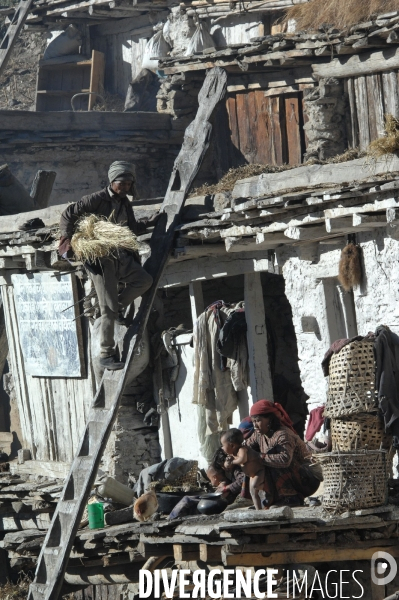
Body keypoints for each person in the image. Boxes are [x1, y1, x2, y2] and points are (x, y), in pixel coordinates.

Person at [59, 161, 155, 370]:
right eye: (123, 183)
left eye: (129, 184)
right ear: (112, 181)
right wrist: (68, 238)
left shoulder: (124, 203)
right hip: (100, 259)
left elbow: (130, 229)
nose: (126, 187)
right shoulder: (96, 199)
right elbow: (68, 214)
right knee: (107, 308)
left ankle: (117, 310)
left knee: (144, 281)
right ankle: (106, 353)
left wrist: (148, 222)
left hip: (119, 256)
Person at [244, 399, 322, 508]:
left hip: (308, 478)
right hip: (294, 476)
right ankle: (270, 498)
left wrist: (258, 456)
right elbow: (246, 448)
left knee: (272, 456)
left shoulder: (283, 434)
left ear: (270, 419)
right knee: (249, 460)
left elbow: (285, 460)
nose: (255, 425)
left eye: (258, 420)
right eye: (253, 422)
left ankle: (291, 498)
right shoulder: (259, 435)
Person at [221, 428, 265, 509]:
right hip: (252, 475)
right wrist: (227, 463)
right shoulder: (233, 453)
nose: (222, 448)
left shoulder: (242, 449)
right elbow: (227, 464)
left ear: (232, 445)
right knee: (252, 492)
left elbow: (243, 459)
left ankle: (266, 501)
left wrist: (232, 462)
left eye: (223, 445)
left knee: (255, 486)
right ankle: (258, 510)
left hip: (259, 471)